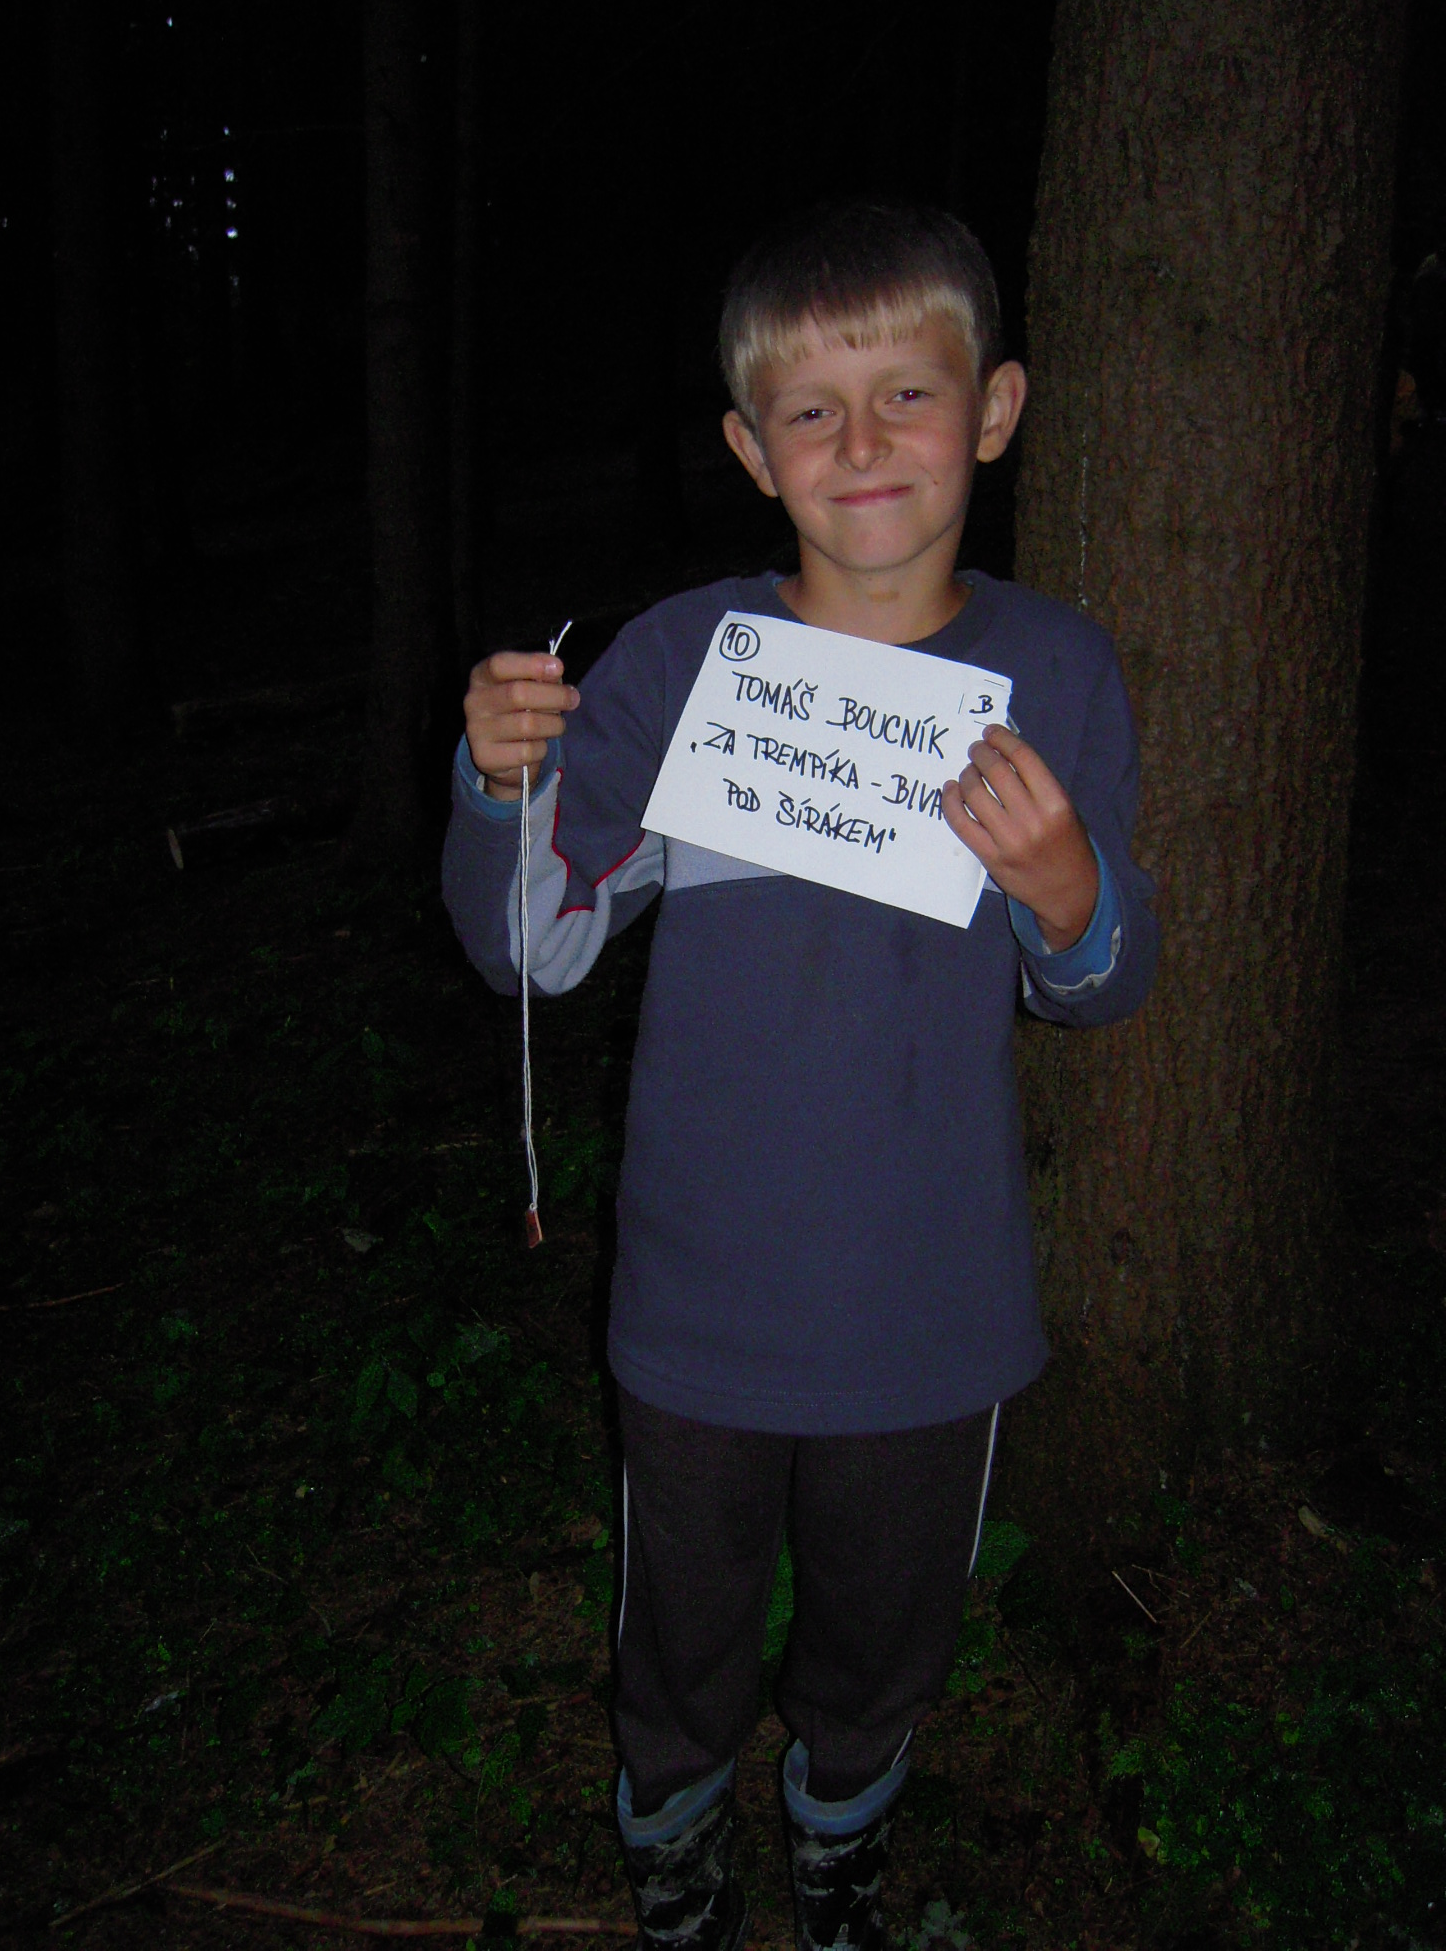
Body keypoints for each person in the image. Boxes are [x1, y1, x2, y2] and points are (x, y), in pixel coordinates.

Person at [442, 200, 1157, 1951]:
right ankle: (674, 1839)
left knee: (888, 1628)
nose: (864, 443)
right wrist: (497, 788)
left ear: (994, 410)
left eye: (908, 393)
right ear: (753, 451)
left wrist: (1068, 890)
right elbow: (535, 949)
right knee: (679, 1629)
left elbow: (1097, 986)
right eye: (812, 413)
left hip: (934, 1302)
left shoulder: (1057, 668)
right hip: (702, 1303)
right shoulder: (687, 664)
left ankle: (844, 1835)